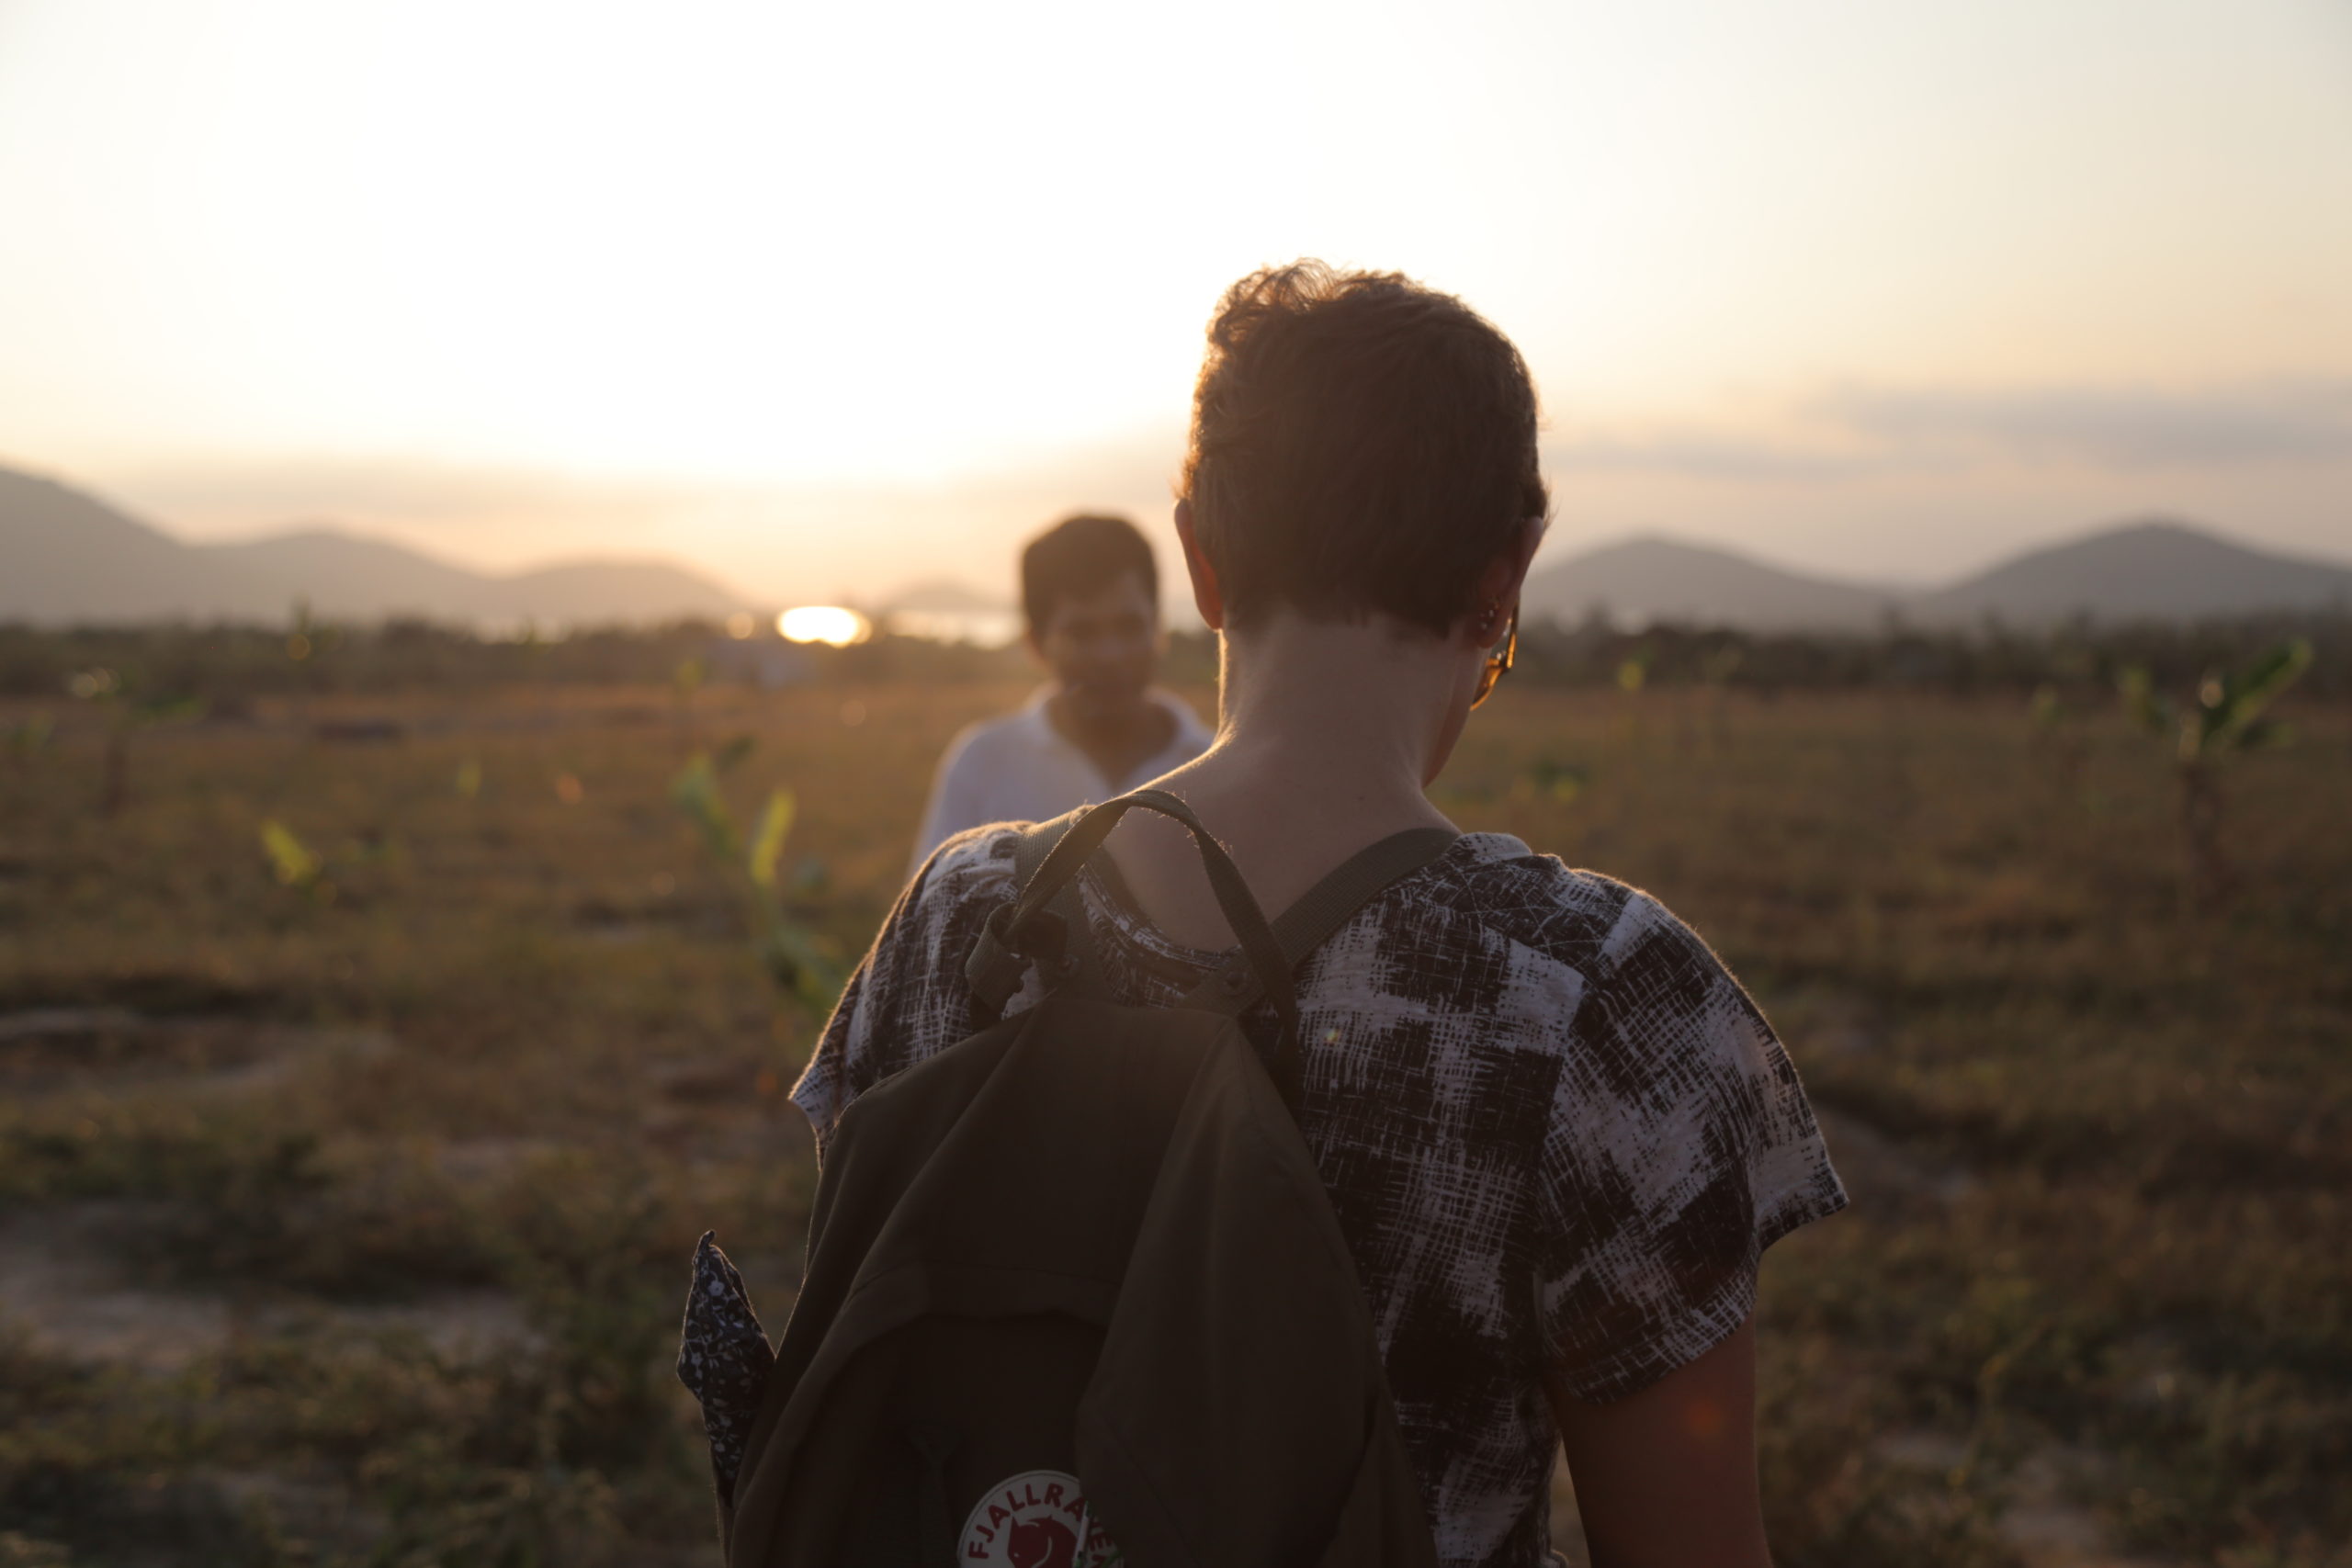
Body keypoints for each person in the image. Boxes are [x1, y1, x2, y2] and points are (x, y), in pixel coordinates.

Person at [794, 263, 1846, 1566]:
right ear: (1506, 572)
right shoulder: (1603, 997)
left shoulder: (960, 918)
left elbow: (866, 1388)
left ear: (1202, 561)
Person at [907, 513, 1212, 874]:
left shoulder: (1212, 765)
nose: (1110, 656)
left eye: (1129, 626)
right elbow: (937, 917)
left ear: (1158, 627)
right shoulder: (983, 764)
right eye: (1081, 633)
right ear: (1036, 643)